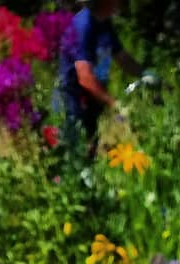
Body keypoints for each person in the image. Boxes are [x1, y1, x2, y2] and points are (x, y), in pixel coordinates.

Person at [58, 0, 143, 161]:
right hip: (71, 102)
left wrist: (146, 75)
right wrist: (115, 104)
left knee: (91, 154)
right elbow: (85, 78)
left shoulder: (104, 23)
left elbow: (122, 58)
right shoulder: (84, 25)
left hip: (90, 101)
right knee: (74, 158)